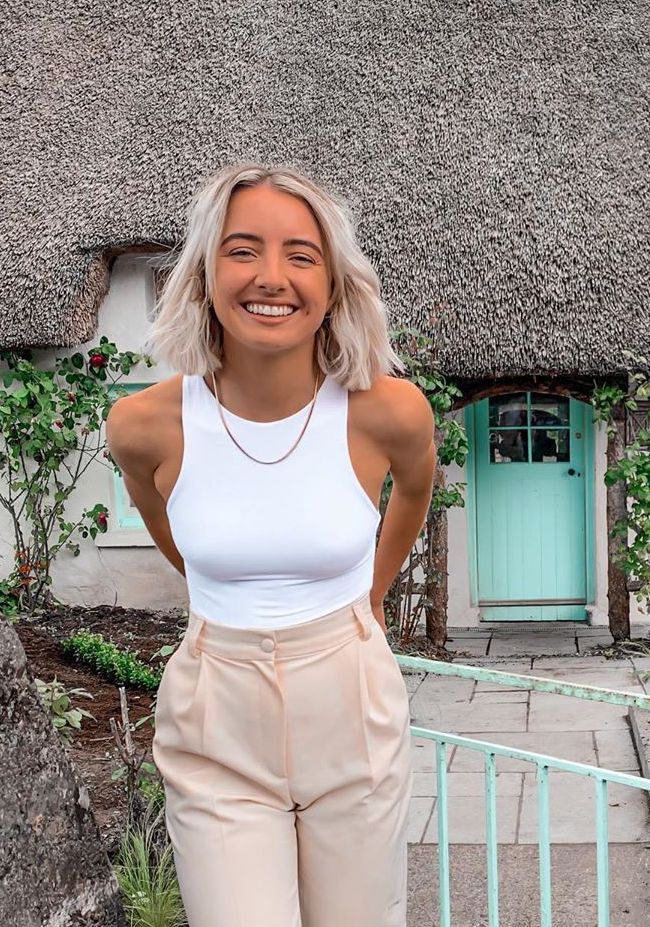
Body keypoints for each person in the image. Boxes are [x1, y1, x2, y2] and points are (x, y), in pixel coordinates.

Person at [106, 162, 436, 927]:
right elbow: (170, 527)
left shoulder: (385, 412)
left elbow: (413, 492)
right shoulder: (145, 426)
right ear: (206, 273)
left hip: (350, 699)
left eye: (300, 254)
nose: (271, 277)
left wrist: (373, 595)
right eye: (243, 249)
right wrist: (223, 597)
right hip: (215, 712)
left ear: (332, 283)